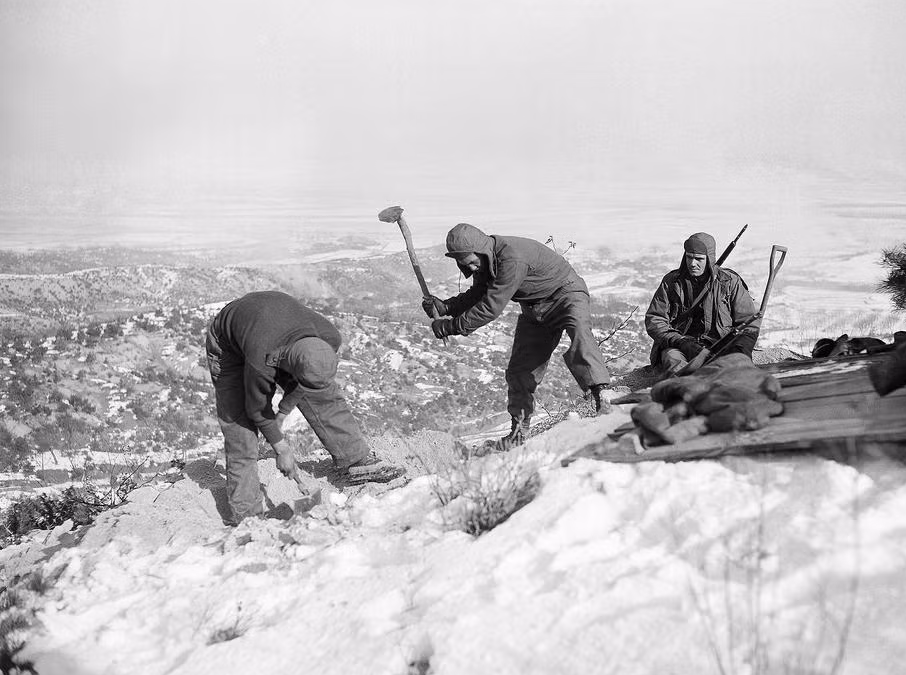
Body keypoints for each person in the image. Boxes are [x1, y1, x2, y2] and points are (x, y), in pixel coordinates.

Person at [205, 291, 403, 524]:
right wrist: (281, 449)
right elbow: (256, 410)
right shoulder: (262, 363)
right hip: (228, 344)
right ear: (286, 365)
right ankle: (247, 514)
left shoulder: (330, 338)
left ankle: (356, 459)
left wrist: (283, 413)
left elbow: (306, 384)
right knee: (241, 428)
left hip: (271, 329)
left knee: (322, 390)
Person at [422, 223, 613, 449]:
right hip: (535, 307)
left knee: (580, 332)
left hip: (566, 294)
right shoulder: (486, 261)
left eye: (473, 262)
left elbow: (491, 307)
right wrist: (446, 307)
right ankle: (519, 431)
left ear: (481, 250)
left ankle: (602, 395)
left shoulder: (511, 259)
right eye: (465, 265)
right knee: (521, 369)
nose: (472, 268)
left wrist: (450, 327)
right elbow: (478, 294)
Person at [645, 232, 759, 378]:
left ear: (709, 259)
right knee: (673, 360)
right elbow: (655, 319)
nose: (692, 263)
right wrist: (679, 341)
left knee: (734, 374)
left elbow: (748, 323)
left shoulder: (730, 282)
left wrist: (739, 351)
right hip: (680, 346)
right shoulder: (672, 282)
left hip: (720, 346)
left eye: (699, 259)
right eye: (689, 257)